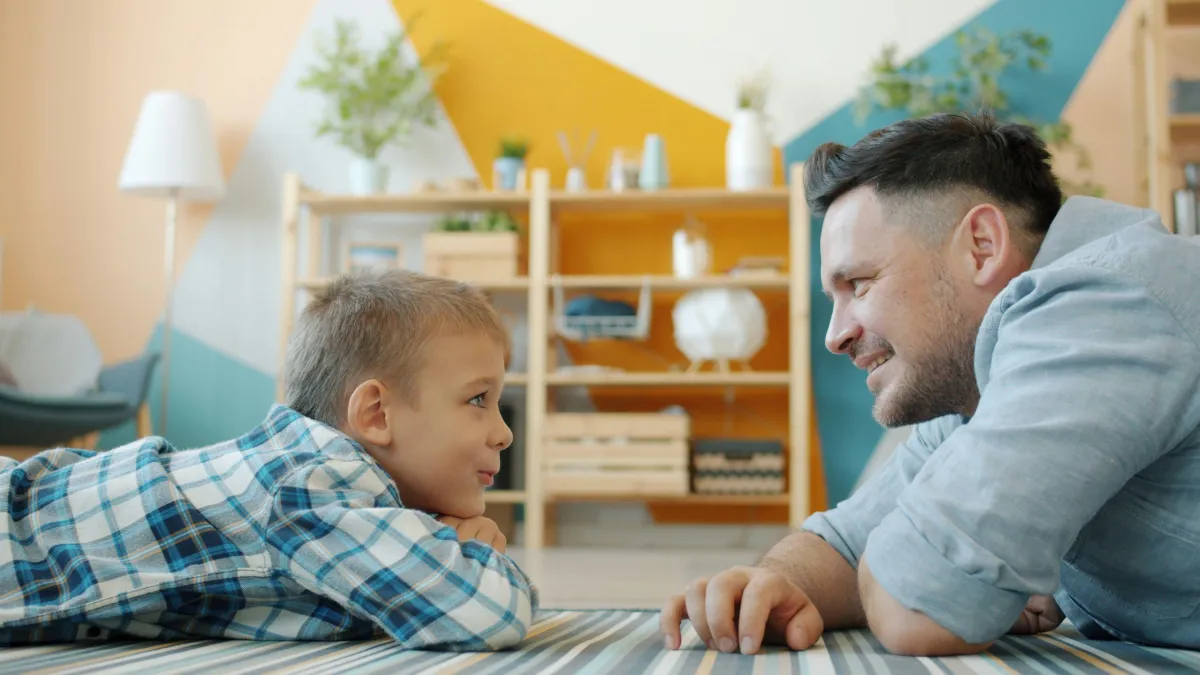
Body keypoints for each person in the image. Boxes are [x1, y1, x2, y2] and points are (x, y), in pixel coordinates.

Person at [660, 111, 1200, 657]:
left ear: (982, 246)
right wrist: (773, 582)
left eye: (860, 284)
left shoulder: (1104, 307)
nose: (835, 335)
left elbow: (921, 604)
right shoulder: (981, 377)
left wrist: (949, 581)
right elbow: (846, 543)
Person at [0, 269, 538, 649]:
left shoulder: (313, 488)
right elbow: (484, 612)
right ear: (375, 413)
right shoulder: (311, 488)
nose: (505, 433)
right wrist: (473, 557)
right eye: (477, 400)